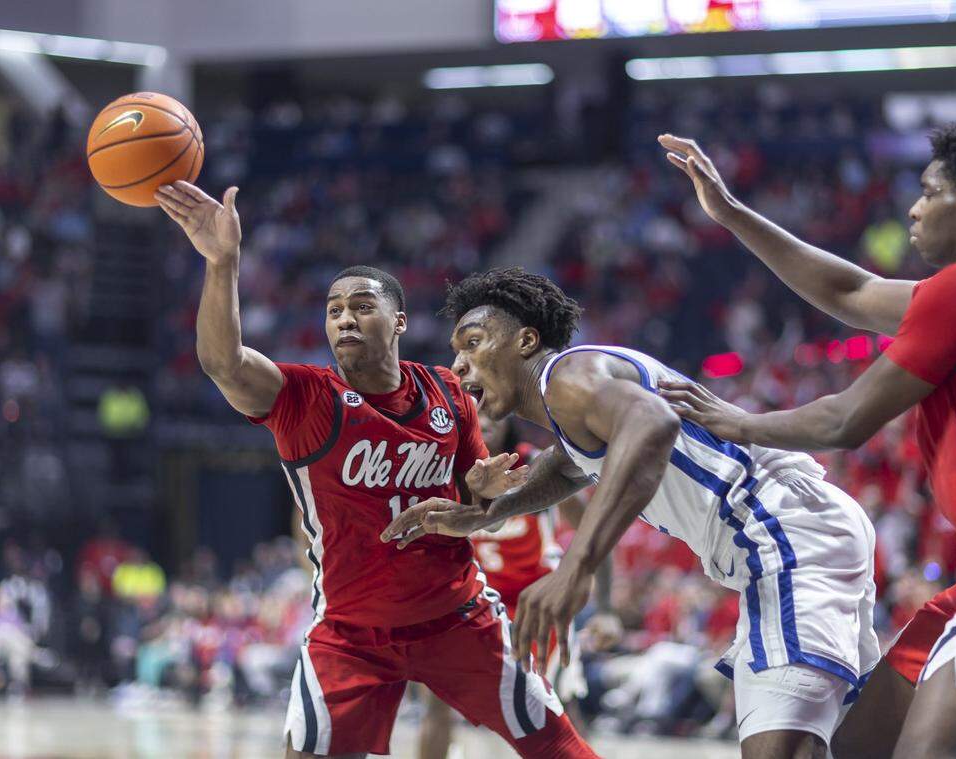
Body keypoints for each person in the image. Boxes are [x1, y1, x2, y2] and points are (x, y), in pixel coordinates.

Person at [651, 119, 956, 758]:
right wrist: (733, 214)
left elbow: (845, 421)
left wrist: (734, 422)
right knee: (855, 750)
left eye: (930, 193)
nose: (913, 208)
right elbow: (850, 291)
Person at [154, 181, 598, 759]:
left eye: (362, 307)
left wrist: (483, 493)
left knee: (562, 747)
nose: (345, 319)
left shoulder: (448, 393)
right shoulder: (306, 396)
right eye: (334, 310)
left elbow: (476, 511)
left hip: (457, 617)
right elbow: (224, 362)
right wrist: (222, 263)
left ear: (399, 321)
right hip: (350, 633)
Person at [383, 267, 880, 759]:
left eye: (472, 343)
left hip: (777, 532)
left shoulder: (568, 377)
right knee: (848, 742)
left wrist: (576, 568)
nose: (459, 364)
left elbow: (652, 424)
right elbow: (568, 466)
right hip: (793, 530)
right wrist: (482, 514)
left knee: (778, 748)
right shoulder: (574, 402)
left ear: (526, 341)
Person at [417, 412, 589, 759]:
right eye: (474, 411)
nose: (484, 419)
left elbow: (591, 529)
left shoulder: (536, 465)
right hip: (476, 599)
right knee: (437, 699)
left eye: (491, 411)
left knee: (556, 703)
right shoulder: (444, 473)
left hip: (536, 600)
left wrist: (590, 592)